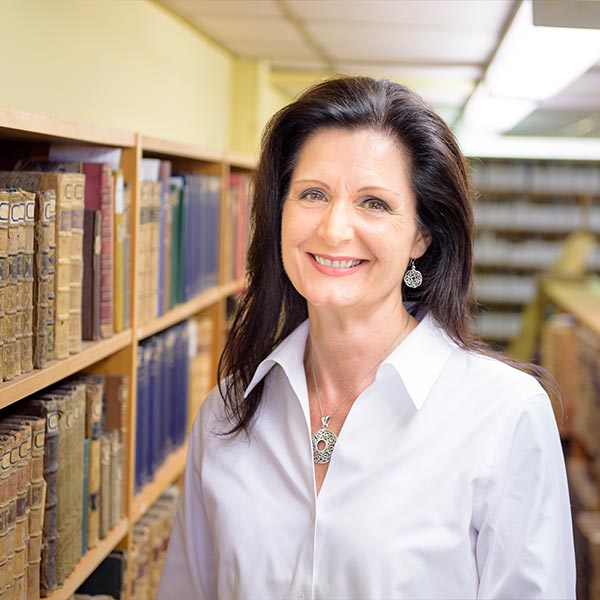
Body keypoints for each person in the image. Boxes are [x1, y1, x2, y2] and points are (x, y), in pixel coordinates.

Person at [157, 76, 575, 599]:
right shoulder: (226, 413)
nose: (334, 229)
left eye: (374, 203)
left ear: (422, 235)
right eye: (313, 194)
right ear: (279, 213)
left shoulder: (504, 416)